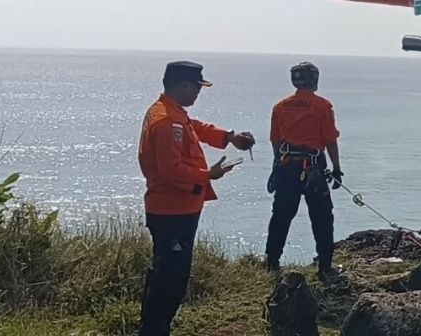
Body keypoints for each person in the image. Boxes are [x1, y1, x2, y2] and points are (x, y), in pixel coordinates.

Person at [137, 61, 255, 336]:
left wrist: (229, 137)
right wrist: (207, 175)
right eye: (197, 88)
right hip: (172, 211)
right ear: (184, 85)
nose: (198, 94)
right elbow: (170, 169)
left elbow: (196, 128)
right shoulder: (167, 120)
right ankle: (154, 329)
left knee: (165, 273)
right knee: (171, 279)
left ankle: (154, 326)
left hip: (176, 208)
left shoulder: (171, 112)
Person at [265, 61, 343, 282]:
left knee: (281, 215)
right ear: (314, 80)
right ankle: (325, 266)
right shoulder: (322, 106)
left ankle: (271, 262)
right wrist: (337, 168)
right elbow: (330, 141)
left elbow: (275, 141)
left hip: (286, 166)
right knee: (322, 217)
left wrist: (276, 166)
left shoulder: (280, 106)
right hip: (313, 169)